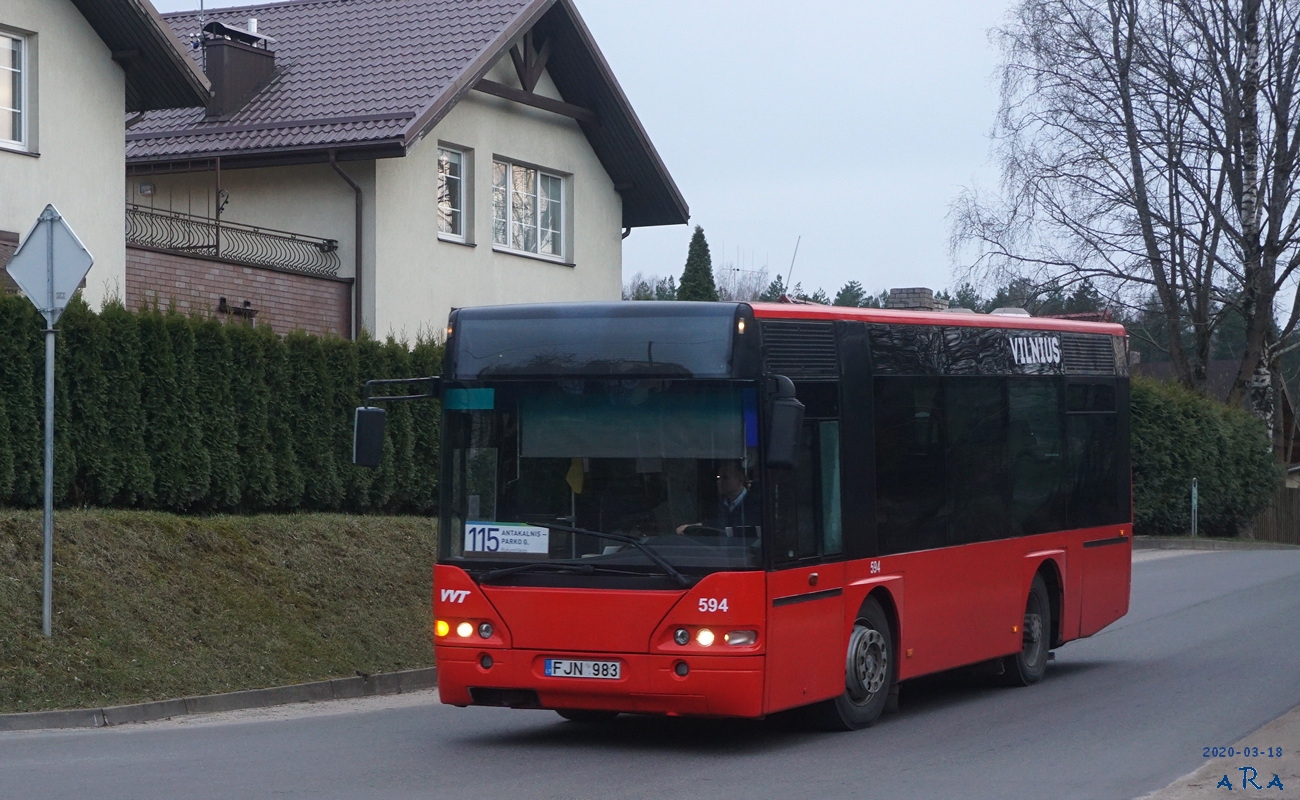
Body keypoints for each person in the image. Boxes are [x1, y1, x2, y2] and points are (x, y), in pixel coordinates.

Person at [677, 460, 761, 535]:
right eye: (718, 477)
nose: (719, 481)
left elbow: (736, 523)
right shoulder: (715, 505)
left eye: (725, 477)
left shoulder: (757, 503)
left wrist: (699, 525)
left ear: (740, 479)